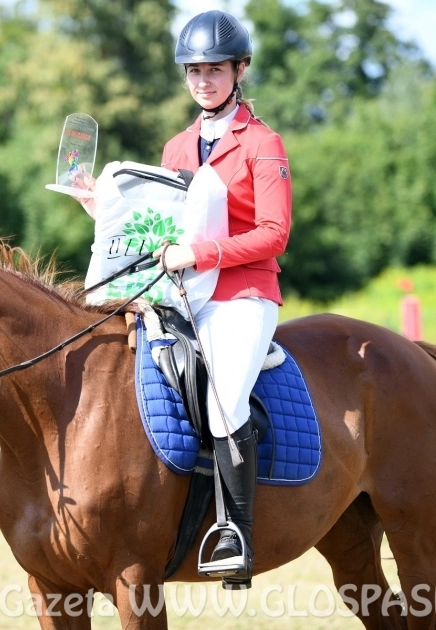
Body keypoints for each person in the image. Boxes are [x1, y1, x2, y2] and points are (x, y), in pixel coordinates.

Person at [74, 10, 291, 584]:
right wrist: (105, 212)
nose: (202, 80)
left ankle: (236, 533)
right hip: (179, 295)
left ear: (239, 69)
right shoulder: (176, 148)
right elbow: (158, 226)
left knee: (223, 398)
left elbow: (275, 233)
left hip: (243, 293)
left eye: (214, 69)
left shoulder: (262, 143)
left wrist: (201, 254)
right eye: (193, 70)